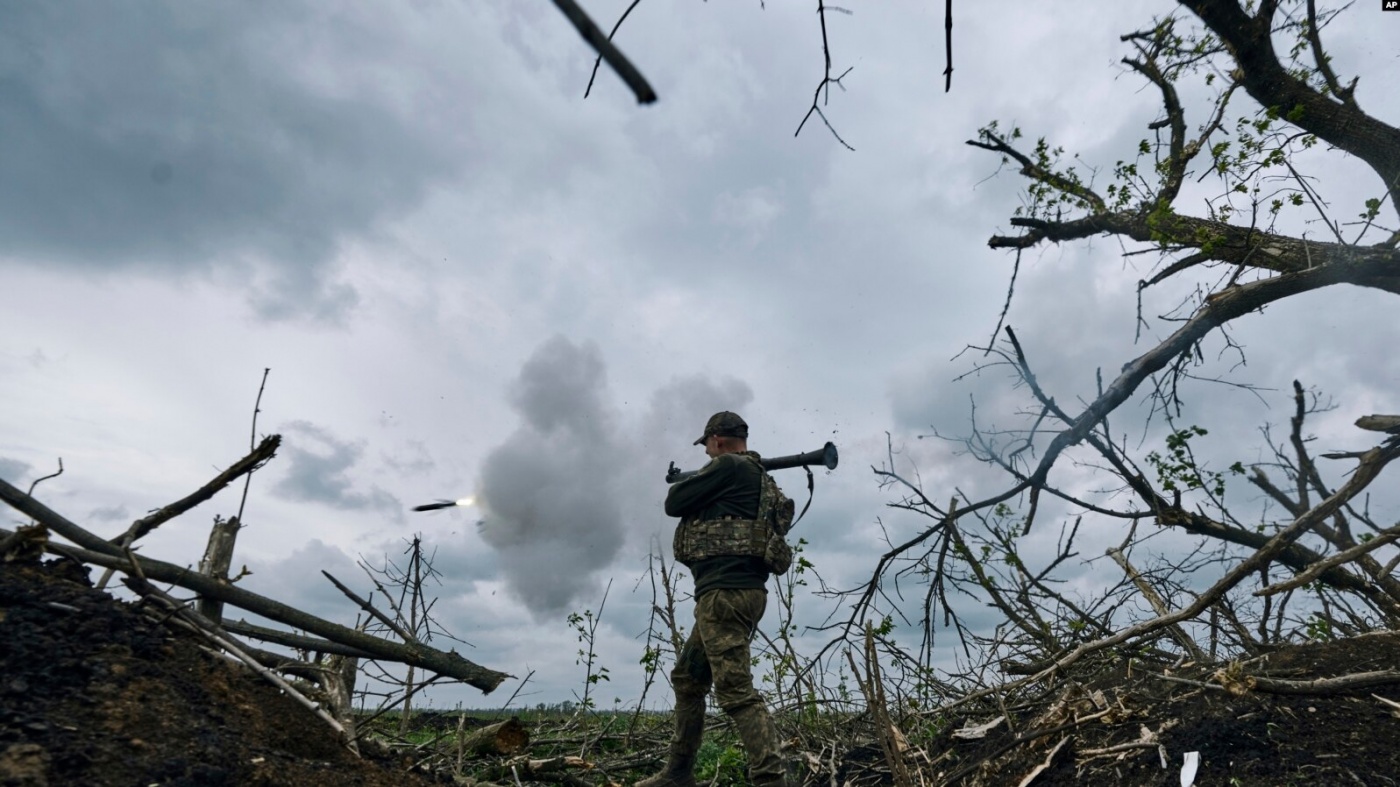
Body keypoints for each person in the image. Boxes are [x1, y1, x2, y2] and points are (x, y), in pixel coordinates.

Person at [638, 411, 787, 787]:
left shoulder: (729, 467)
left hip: (725, 595)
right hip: (737, 593)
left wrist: (697, 481)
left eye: (706, 445)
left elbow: (675, 502)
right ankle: (678, 773)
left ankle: (771, 780)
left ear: (716, 439)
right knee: (689, 679)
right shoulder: (753, 475)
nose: (706, 452)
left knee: (736, 692)